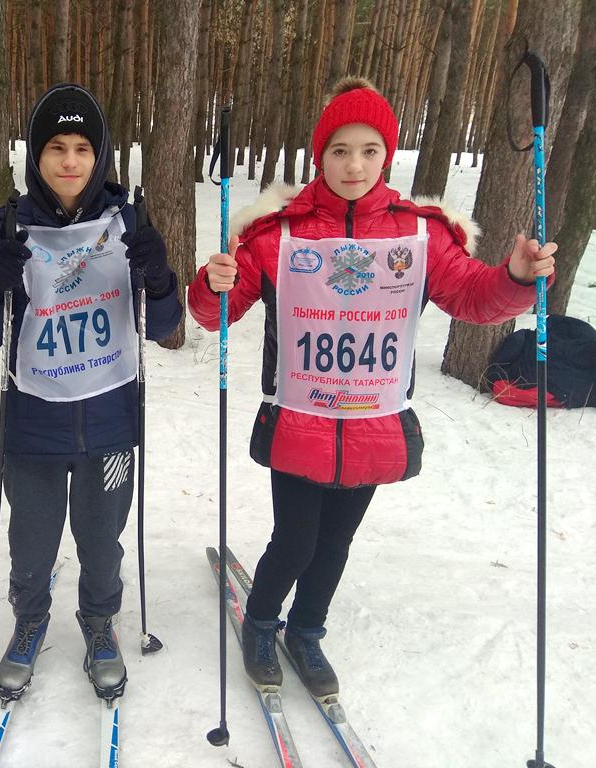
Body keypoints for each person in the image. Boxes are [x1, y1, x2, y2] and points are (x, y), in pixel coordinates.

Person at [187, 78, 557, 698]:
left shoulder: (421, 234)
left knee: (336, 542)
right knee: (295, 540)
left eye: (368, 150)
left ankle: (307, 631)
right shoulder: (278, 233)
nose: (353, 165)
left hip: (373, 425)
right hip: (300, 419)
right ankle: (261, 623)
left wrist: (516, 278)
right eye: (339, 150)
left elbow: (473, 297)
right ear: (319, 156)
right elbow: (213, 315)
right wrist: (212, 283)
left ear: (386, 154)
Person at [0, 83, 182, 701]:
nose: (69, 161)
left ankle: (99, 621)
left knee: (102, 540)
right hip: (32, 425)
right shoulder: (10, 226)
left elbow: (164, 327)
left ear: (100, 155)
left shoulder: (126, 222)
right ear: (36, 155)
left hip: (110, 423)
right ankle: (29, 620)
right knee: (31, 539)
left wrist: (159, 276)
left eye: (83, 148)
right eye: (56, 147)